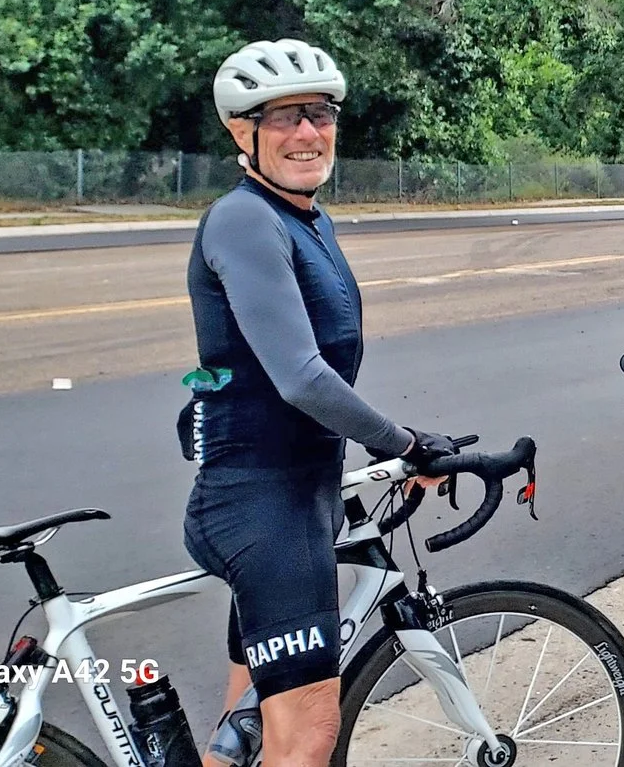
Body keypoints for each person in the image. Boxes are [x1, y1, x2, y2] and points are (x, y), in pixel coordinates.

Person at [184, 39, 457, 767]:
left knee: (246, 730)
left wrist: (379, 446)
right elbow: (302, 378)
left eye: (320, 114)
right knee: (306, 736)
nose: (307, 132)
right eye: (283, 118)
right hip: (261, 503)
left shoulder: (305, 218)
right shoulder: (245, 220)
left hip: (296, 493)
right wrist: (404, 443)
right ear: (241, 131)